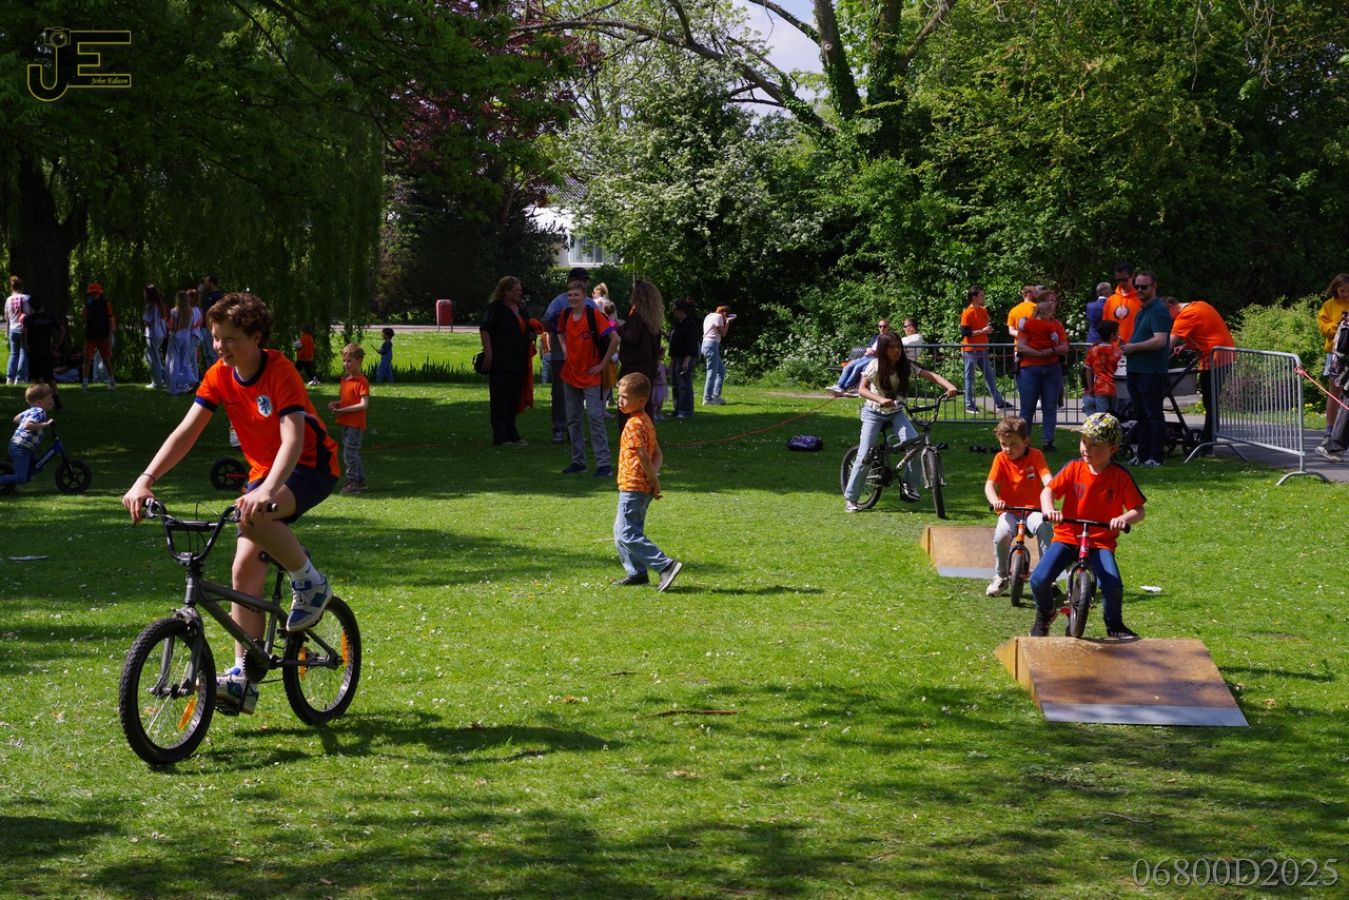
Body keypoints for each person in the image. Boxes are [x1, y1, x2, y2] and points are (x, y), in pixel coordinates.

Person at [121, 292, 341, 715]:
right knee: (242, 570)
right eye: (216, 337)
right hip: (264, 474)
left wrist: (267, 490)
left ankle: (310, 581)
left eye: (231, 339)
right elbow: (187, 431)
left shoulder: (280, 371)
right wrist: (145, 480)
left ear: (257, 337)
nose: (220, 347)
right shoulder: (219, 375)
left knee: (257, 516)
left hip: (309, 466)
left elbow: (293, 439)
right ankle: (243, 675)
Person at [1028, 412, 1146, 639]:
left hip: (1100, 541)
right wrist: (1049, 509)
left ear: (1113, 448)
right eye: (1083, 442)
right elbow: (1048, 491)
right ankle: (1045, 613)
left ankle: (1115, 625)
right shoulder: (1074, 468)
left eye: (1094, 445)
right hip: (1067, 536)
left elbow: (1139, 510)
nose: (1086, 449)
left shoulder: (1120, 476)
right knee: (1039, 579)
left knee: (1112, 584)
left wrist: (1124, 519)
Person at [842, 332, 958, 512]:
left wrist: (950, 386)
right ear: (883, 349)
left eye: (898, 347)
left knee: (914, 445)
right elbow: (862, 389)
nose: (896, 351)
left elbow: (931, 375)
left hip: (896, 412)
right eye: (891, 347)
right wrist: (880, 399)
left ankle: (909, 485)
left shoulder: (905, 366)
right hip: (873, 412)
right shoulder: (875, 365)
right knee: (865, 455)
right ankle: (851, 498)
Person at [610, 372, 683, 591]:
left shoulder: (634, 424)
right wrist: (653, 479)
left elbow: (643, 455)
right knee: (622, 531)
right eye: (619, 395)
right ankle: (637, 573)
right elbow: (658, 454)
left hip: (633, 486)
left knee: (627, 533)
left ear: (641, 400)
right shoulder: (646, 421)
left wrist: (652, 479)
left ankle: (666, 565)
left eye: (624, 397)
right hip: (639, 487)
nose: (620, 401)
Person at [983, 416, 1053, 597]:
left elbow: (1047, 478)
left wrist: (1051, 493)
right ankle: (1001, 576)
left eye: (1014, 444)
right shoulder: (1000, 459)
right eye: (1003, 444)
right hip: (1009, 510)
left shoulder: (1036, 456)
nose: (1008, 449)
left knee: (1045, 527)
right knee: (1001, 535)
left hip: (1033, 510)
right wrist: (995, 501)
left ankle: (1047, 578)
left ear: (1026, 441)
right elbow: (990, 485)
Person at [558, 278, 619, 475]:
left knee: (595, 417)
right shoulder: (565, 314)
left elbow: (615, 339)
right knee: (572, 419)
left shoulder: (594, 314)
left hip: (591, 375)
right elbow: (559, 332)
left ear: (584, 296)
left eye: (576, 294)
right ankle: (578, 462)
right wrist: (565, 350)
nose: (572, 298)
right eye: (570, 295)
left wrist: (602, 364)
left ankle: (604, 464)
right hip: (570, 374)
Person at [1166, 298, 1235, 453]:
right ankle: (1209, 439)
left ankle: (1208, 442)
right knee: (1210, 401)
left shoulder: (1185, 315)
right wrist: (1186, 345)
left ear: (1171, 306)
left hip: (1216, 358)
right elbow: (1204, 331)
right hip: (1222, 355)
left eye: (1167, 315)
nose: (1168, 319)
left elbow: (1168, 344)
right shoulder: (1199, 305)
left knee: (1210, 401)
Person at [1120, 271, 1171, 467]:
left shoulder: (1158, 310)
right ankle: (1142, 455)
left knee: (1153, 415)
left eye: (1144, 287)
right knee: (1140, 415)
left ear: (1154, 287)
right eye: (1137, 286)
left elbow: (1160, 341)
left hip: (1151, 372)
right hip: (1136, 369)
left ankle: (1155, 457)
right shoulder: (1142, 310)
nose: (1139, 290)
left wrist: (1133, 347)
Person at [478, 276, 532, 447]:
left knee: (513, 399)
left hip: (519, 361)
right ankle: (501, 436)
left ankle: (512, 433)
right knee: (500, 399)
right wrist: (489, 353)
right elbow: (485, 329)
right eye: (517, 290)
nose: (520, 293)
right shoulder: (495, 309)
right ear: (506, 292)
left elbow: (525, 329)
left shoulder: (521, 309)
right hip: (501, 361)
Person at [544, 267, 593, 443]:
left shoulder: (590, 303)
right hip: (561, 357)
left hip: (583, 358)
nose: (584, 283)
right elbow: (545, 323)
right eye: (580, 279)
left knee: (579, 396)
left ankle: (575, 432)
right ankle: (559, 428)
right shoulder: (559, 301)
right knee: (560, 393)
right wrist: (560, 324)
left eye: (585, 280)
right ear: (570, 281)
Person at [1015, 295, 1069, 451]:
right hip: (1030, 369)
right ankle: (1024, 441)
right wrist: (1041, 353)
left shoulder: (1054, 324)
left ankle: (1047, 441)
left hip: (1051, 368)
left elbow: (1064, 347)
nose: (1053, 307)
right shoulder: (1029, 324)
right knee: (1028, 407)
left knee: (1049, 407)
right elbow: (1021, 346)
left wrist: (1047, 351)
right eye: (1050, 305)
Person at [617, 280, 665, 424]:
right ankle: (646, 432)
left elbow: (632, 337)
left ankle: (630, 433)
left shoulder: (636, 317)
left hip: (634, 367)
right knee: (644, 403)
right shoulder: (653, 319)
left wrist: (620, 328)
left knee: (628, 403)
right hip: (648, 366)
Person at [960, 287, 1009, 413]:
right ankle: (969, 404)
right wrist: (982, 331)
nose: (983, 297)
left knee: (990, 375)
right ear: (974, 297)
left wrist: (987, 330)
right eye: (981, 295)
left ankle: (999, 403)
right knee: (969, 377)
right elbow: (965, 332)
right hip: (970, 349)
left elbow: (984, 326)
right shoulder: (967, 312)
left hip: (982, 348)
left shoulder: (983, 310)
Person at [329, 343, 370, 492]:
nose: (346, 364)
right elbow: (347, 400)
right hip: (346, 422)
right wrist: (337, 404)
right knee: (351, 452)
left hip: (355, 424)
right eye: (344, 361)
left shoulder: (361, 381)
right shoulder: (346, 380)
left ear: (359, 361)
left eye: (349, 361)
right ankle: (360, 481)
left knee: (349, 453)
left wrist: (344, 409)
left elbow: (364, 404)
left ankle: (353, 482)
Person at [0, 384, 55, 489]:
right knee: (21, 478)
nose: (52, 401)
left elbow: (16, 419)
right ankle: (20, 479)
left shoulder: (31, 410)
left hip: (22, 446)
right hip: (21, 448)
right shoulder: (39, 411)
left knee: (38, 466)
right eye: (49, 399)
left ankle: (17, 482)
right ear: (40, 402)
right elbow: (27, 425)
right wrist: (46, 424)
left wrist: (27, 421)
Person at [1315, 274, 1349, 441]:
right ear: (1335, 289)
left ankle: (1342, 432)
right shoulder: (1329, 305)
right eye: (1342, 291)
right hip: (1336, 353)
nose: (1346, 294)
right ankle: (1329, 430)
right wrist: (1338, 324)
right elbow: (1324, 330)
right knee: (1334, 392)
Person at [20, 296, 64, 411]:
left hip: (34, 351)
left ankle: (40, 403)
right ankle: (57, 403)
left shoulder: (28, 319)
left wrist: (26, 345)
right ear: (43, 305)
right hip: (47, 350)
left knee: (37, 378)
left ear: (31, 306)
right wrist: (56, 346)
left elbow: (24, 333)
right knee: (50, 378)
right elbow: (62, 330)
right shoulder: (49, 318)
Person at [827, 320, 890, 396]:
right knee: (848, 366)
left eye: (884, 326)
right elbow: (868, 346)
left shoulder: (889, 338)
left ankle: (846, 387)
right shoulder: (875, 337)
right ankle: (839, 386)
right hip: (866, 356)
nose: (882, 328)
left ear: (888, 327)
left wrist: (876, 352)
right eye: (880, 326)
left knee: (858, 367)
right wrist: (867, 349)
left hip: (875, 358)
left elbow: (887, 351)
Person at [79, 282, 117, 390]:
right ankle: (85, 383)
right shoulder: (87, 304)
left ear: (100, 293)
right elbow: (84, 319)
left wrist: (110, 336)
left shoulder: (105, 304)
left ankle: (112, 381)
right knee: (87, 358)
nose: (94, 294)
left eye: (95, 292)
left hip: (103, 335)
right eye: (92, 293)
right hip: (90, 336)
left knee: (106, 359)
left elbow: (110, 320)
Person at [1082, 320, 1122, 415]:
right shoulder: (1116, 351)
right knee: (1113, 416)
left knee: (1102, 417)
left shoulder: (1093, 350)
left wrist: (1090, 387)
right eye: (1117, 332)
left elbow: (1088, 370)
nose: (1119, 334)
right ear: (1112, 335)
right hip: (1114, 388)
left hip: (1100, 388)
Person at [668, 299, 699, 418]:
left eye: (675, 310)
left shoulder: (690, 324)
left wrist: (686, 361)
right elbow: (674, 343)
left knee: (684, 385)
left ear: (681, 310)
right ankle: (677, 409)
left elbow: (691, 344)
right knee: (675, 385)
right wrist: (672, 361)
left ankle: (685, 411)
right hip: (676, 358)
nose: (673, 312)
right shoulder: (678, 324)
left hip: (685, 358)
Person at [166, 289, 200, 394]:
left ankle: (173, 388)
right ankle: (193, 380)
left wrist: (169, 327)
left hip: (176, 337)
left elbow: (174, 327)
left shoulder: (174, 311)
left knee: (173, 362)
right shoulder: (190, 312)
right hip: (186, 338)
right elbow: (191, 326)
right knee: (184, 363)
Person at [701, 304, 733, 405]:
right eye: (725, 315)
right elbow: (723, 333)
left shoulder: (709, 316)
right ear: (724, 313)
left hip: (706, 344)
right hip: (712, 345)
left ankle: (715, 396)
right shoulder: (718, 317)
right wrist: (727, 322)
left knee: (721, 371)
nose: (724, 318)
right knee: (712, 372)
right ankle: (707, 399)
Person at [142, 284, 170, 390]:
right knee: (155, 358)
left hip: (152, 334)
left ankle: (157, 382)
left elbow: (147, 321)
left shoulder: (150, 306)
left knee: (153, 359)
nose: (144, 294)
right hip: (160, 334)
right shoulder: (160, 305)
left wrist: (144, 325)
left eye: (145, 292)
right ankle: (162, 379)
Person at [5, 276, 31, 385]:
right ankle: (20, 378)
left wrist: (7, 331)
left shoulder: (8, 299)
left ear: (12, 287)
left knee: (13, 354)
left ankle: (9, 378)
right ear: (22, 287)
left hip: (12, 328)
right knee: (23, 353)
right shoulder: (27, 298)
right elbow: (31, 313)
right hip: (24, 328)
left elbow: (6, 317)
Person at [1107, 262, 1141, 344]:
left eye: (1125, 280)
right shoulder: (1110, 301)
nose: (1121, 283)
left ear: (1133, 276)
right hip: (1113, 349)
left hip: (1136, 347)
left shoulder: (1141, 300)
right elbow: (1105, 329)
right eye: (1118, 280)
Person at [199, 273, 223, 366]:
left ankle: (218, 371)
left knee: (213, 353)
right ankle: (210, 372)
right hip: (204, 327)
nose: (205, 284)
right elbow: (201, 308)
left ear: (211, 283)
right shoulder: (207, 295)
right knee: (207, 354)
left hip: (212, 328)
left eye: (206, 282)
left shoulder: (218, 296)